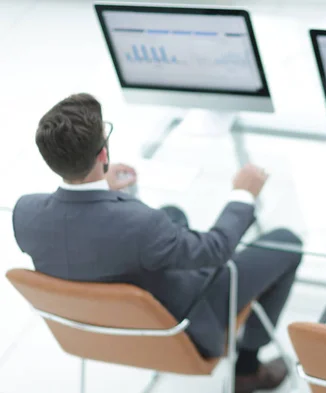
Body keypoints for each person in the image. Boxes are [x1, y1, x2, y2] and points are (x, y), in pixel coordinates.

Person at [11, 93, 303, 393]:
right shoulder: (142, 225)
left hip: (93, 331)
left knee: (173, 214)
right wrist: (243, 194)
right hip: (184, 324)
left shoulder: (25, 213)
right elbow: (215, 249)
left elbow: (89, 234)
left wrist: (98, 188)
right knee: (285, 243)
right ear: (102, 155)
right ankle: (248, 369)